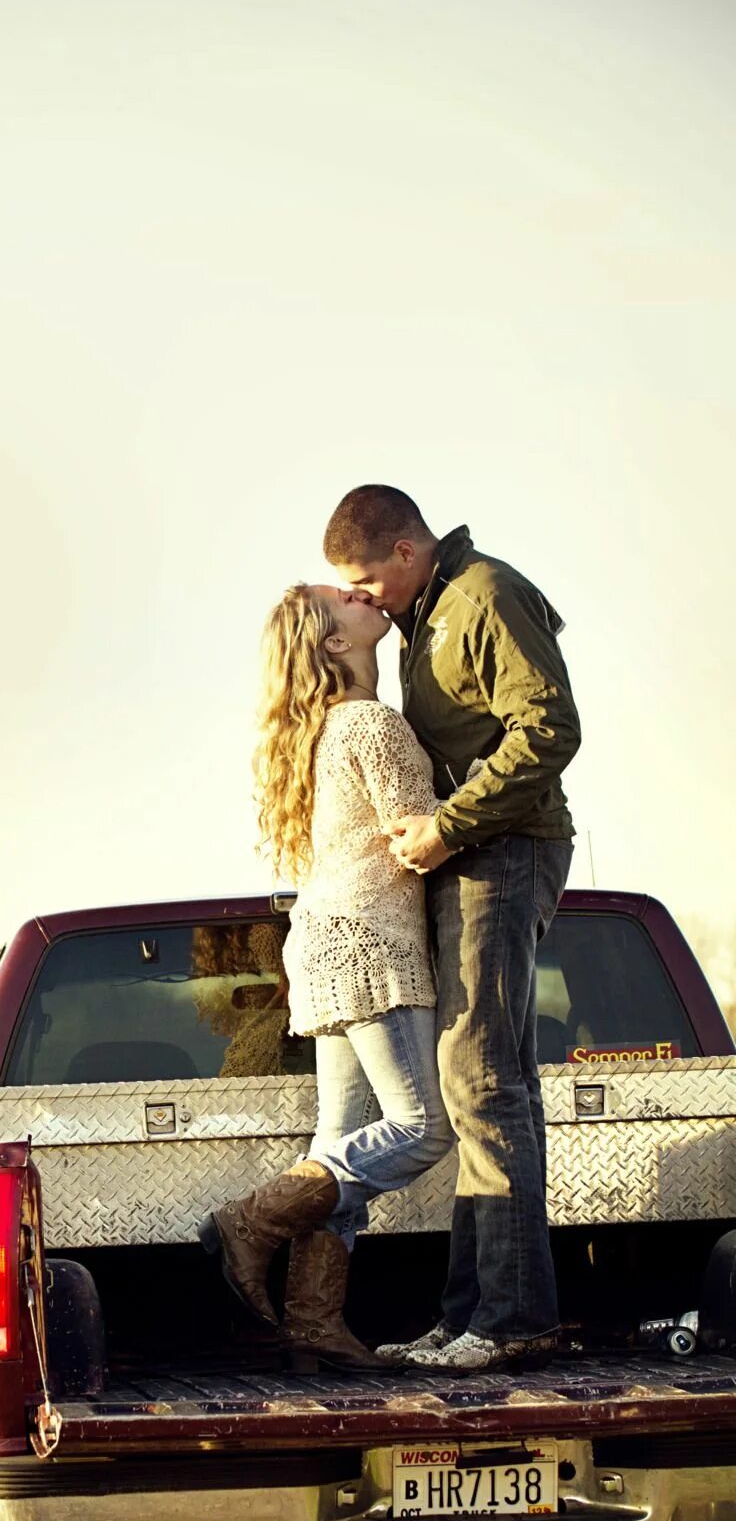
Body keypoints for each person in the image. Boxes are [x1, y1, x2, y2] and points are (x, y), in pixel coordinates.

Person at [323, 485, 581, 1372]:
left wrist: (448, 824)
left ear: (404, 551)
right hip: (475, 854)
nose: (365, 599)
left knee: (482, 1081)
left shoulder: (483, 597)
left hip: (504, 852)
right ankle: (471, 1313)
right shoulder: (425, 613)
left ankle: (509, 1323)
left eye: (366, 579)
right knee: (477, 1083)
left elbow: (550, 727)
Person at [199, 582, 454, 1368]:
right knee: (424, 1129)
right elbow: (419, 840)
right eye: (342, 598)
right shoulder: (372, 725)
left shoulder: (314, 734)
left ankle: (314, 1318)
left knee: (340, 1138)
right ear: (336, 644)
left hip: (319, 942)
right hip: (371, 942)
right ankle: (253, 1219)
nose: (360, 593)